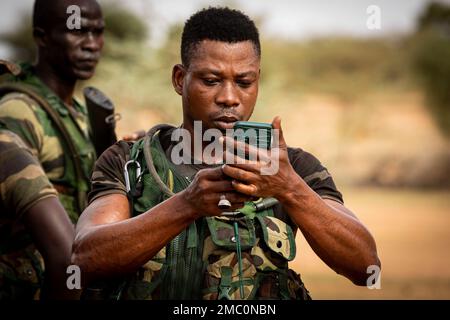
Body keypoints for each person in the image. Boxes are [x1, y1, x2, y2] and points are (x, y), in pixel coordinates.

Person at [72, 7, 381, 300]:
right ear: (180, 79)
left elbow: (367, 268)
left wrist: (290, 189)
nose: (230, 98)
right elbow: (84, 259)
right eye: (211, 81)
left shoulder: (293, 167)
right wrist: (186, 205)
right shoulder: (131, 161)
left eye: (244, 82)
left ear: (258, 79)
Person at [0, 0, 104, 299]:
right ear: (42, 36)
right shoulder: (19, 111)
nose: (91, 44)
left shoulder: (74, 113)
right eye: (78, 32)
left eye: (98, 32)